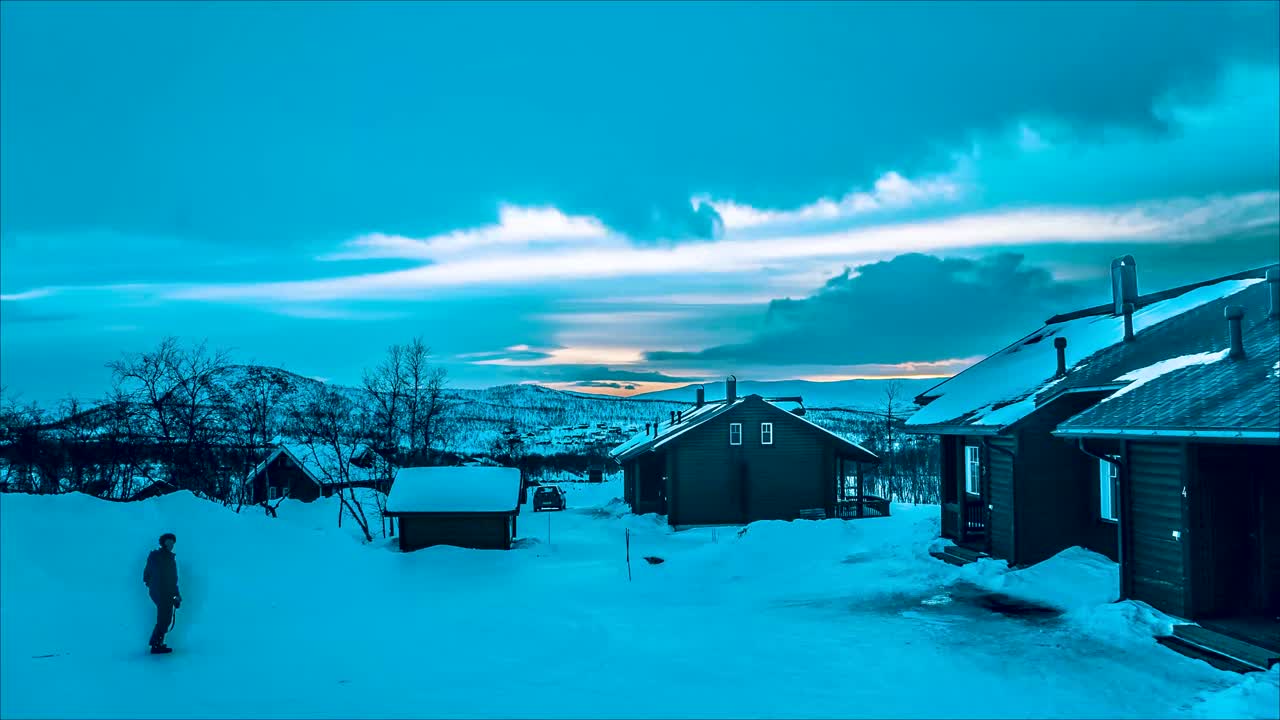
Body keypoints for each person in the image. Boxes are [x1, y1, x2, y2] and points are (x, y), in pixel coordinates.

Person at [142, 533, 182, 654]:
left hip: (167, 592)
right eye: (168, 542)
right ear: (163, 543)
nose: (171, 545)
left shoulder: (170, 558)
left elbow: (173, 580)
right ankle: (156, 644)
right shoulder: (156, 556)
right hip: (161, 592)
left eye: (172, 543)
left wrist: (176, 595)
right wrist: (154, 587)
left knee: (166, 618)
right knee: (164, 618)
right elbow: (147, 574)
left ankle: (157, 643)